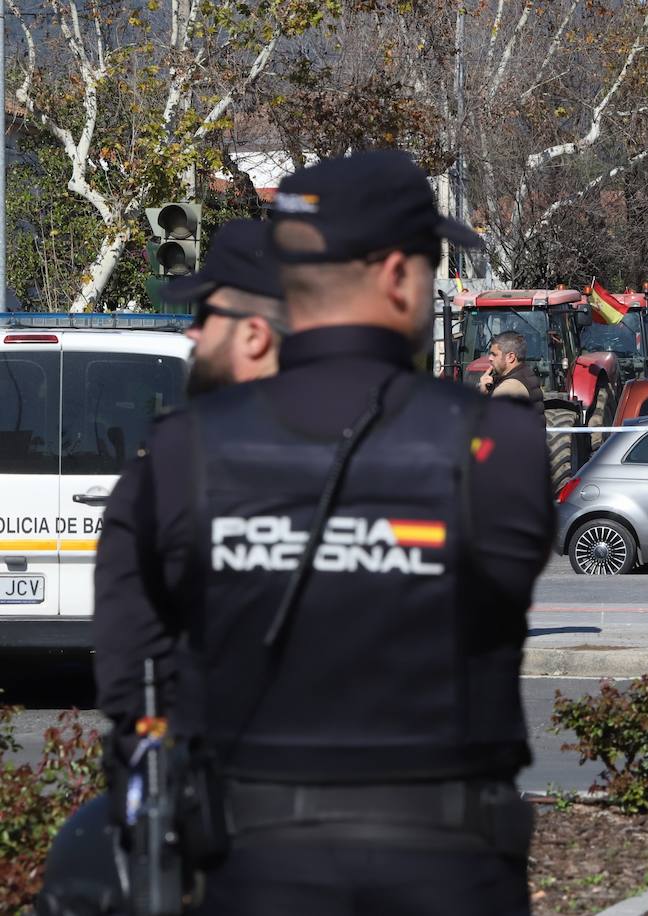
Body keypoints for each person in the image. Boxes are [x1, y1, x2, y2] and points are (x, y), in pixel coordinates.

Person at [92, 149, 554, 916]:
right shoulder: (497, 448)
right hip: (450, 871)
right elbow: (500, 597)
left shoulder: (181, 453)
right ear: (399, 274)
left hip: (249, 871)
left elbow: (135, 679)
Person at [163, 218, 289, 396]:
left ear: (255, 337)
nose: (191, 332)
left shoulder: (200, 423)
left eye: (204, 316)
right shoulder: (331, 414)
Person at [480, 330, 543, 401]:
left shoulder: (508, 388)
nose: (490, 358)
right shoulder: (526, 373)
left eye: (494, 354)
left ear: (510, 357)